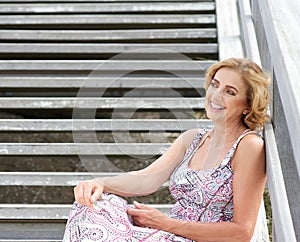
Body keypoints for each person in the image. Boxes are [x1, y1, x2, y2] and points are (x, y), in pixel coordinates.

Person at [63, 58, 271, 242]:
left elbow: (242, 232)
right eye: (214, 85)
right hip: (170, 233)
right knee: (92, 204)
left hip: (192, 236)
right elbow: (146, 179)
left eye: (230, 92)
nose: (216, 96)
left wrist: (164, 223)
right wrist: (98, 184)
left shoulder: (248, 146)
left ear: (247, 105)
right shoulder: (193, 139)